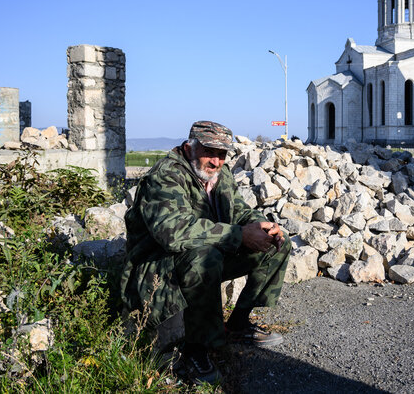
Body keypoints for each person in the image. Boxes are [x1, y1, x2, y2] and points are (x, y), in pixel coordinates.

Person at [121, 121, 291, 384]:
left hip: (198, 256)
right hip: (156, 267)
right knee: (205, 257)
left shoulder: (218, 174)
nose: (216, 161)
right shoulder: (166, 175)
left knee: (278, 243)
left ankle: (238, 325)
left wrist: (261, 226)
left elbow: (238, 210)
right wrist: (238, 235)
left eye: (222, 154)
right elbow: (172, 233)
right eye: (209, 152)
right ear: (190, 147)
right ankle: (196, 350)